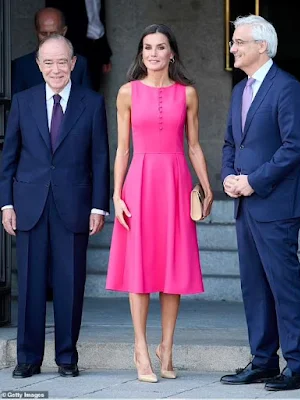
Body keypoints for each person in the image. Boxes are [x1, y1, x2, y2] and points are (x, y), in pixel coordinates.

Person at [106, 24, 213, 383]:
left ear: (172, 54)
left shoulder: (188, 94)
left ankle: (166, 348)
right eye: (147, 47)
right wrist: (116, 194)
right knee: (140, 270)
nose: (153, 53)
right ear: (142, 54)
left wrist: (207, 185)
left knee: (172, 271)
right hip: (139, 183)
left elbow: (194, 145)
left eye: (160, 47)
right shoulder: (127, 93)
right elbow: (122, 149)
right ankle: (140, 347)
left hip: (176, 181)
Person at [0, 34, 110, 378]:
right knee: (30, 285)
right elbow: (9, 157)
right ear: (38, 65)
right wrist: (6, 204)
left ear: (73, 63)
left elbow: (100, 158)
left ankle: (66, 357)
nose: (56, 69)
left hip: (74, 204)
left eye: (62, 61)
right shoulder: (23, 101)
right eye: (48, 62)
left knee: (70, 283)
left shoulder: (91, 103)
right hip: (29, 203)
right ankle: (28, 358)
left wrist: (98, 207)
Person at [221, 15, 300, 391]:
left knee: (283, 286)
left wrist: (254, 181)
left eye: (239, 41)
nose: (233, 47)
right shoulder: (240, 90)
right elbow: (229, 143)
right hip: (245, 204)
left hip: (275, 204)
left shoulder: (288, 88)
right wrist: (227, 176)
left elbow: (295, 147)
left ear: (262, 46)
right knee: (254, 286)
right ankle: (263, 361)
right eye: (233, 41)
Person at [11, 7, 92, 95]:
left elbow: (88, 103)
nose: (48, 38)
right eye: (43, 33)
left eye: (53, 34)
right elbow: (17, 105)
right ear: (37, 32)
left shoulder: (80, 64)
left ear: (64, 31)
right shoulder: (22, 66)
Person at [46, 0, 112, 91]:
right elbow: (52, 17)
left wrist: (105, 54)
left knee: (92, 93)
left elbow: (98, 21)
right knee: (71, 92)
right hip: (72, 49)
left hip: (96, 47)